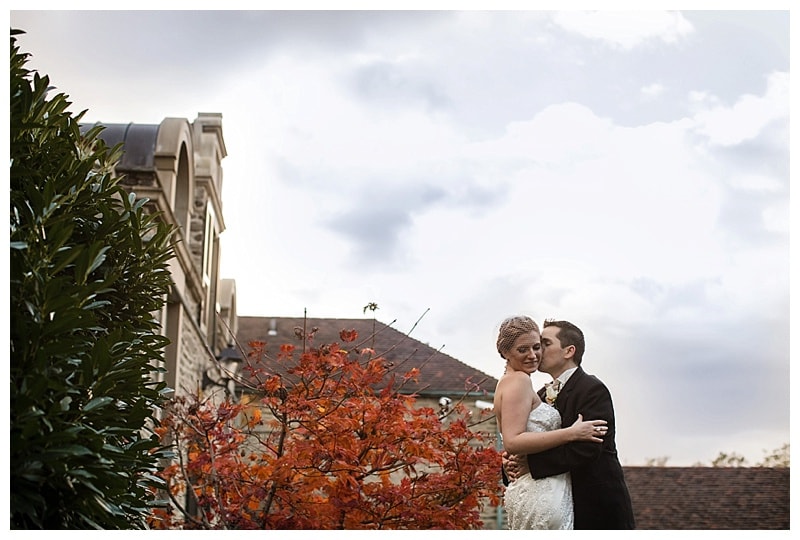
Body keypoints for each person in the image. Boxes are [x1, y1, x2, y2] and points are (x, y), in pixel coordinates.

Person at [505, 319, 635, 529]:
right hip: (551, 503)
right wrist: (511, 464)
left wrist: (530, 465)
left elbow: (588, 448)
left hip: (595, 506)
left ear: (568, 351)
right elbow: (527, 438)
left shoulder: (592, 389)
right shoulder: (538, 395)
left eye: (544, 344)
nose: (537, 351)